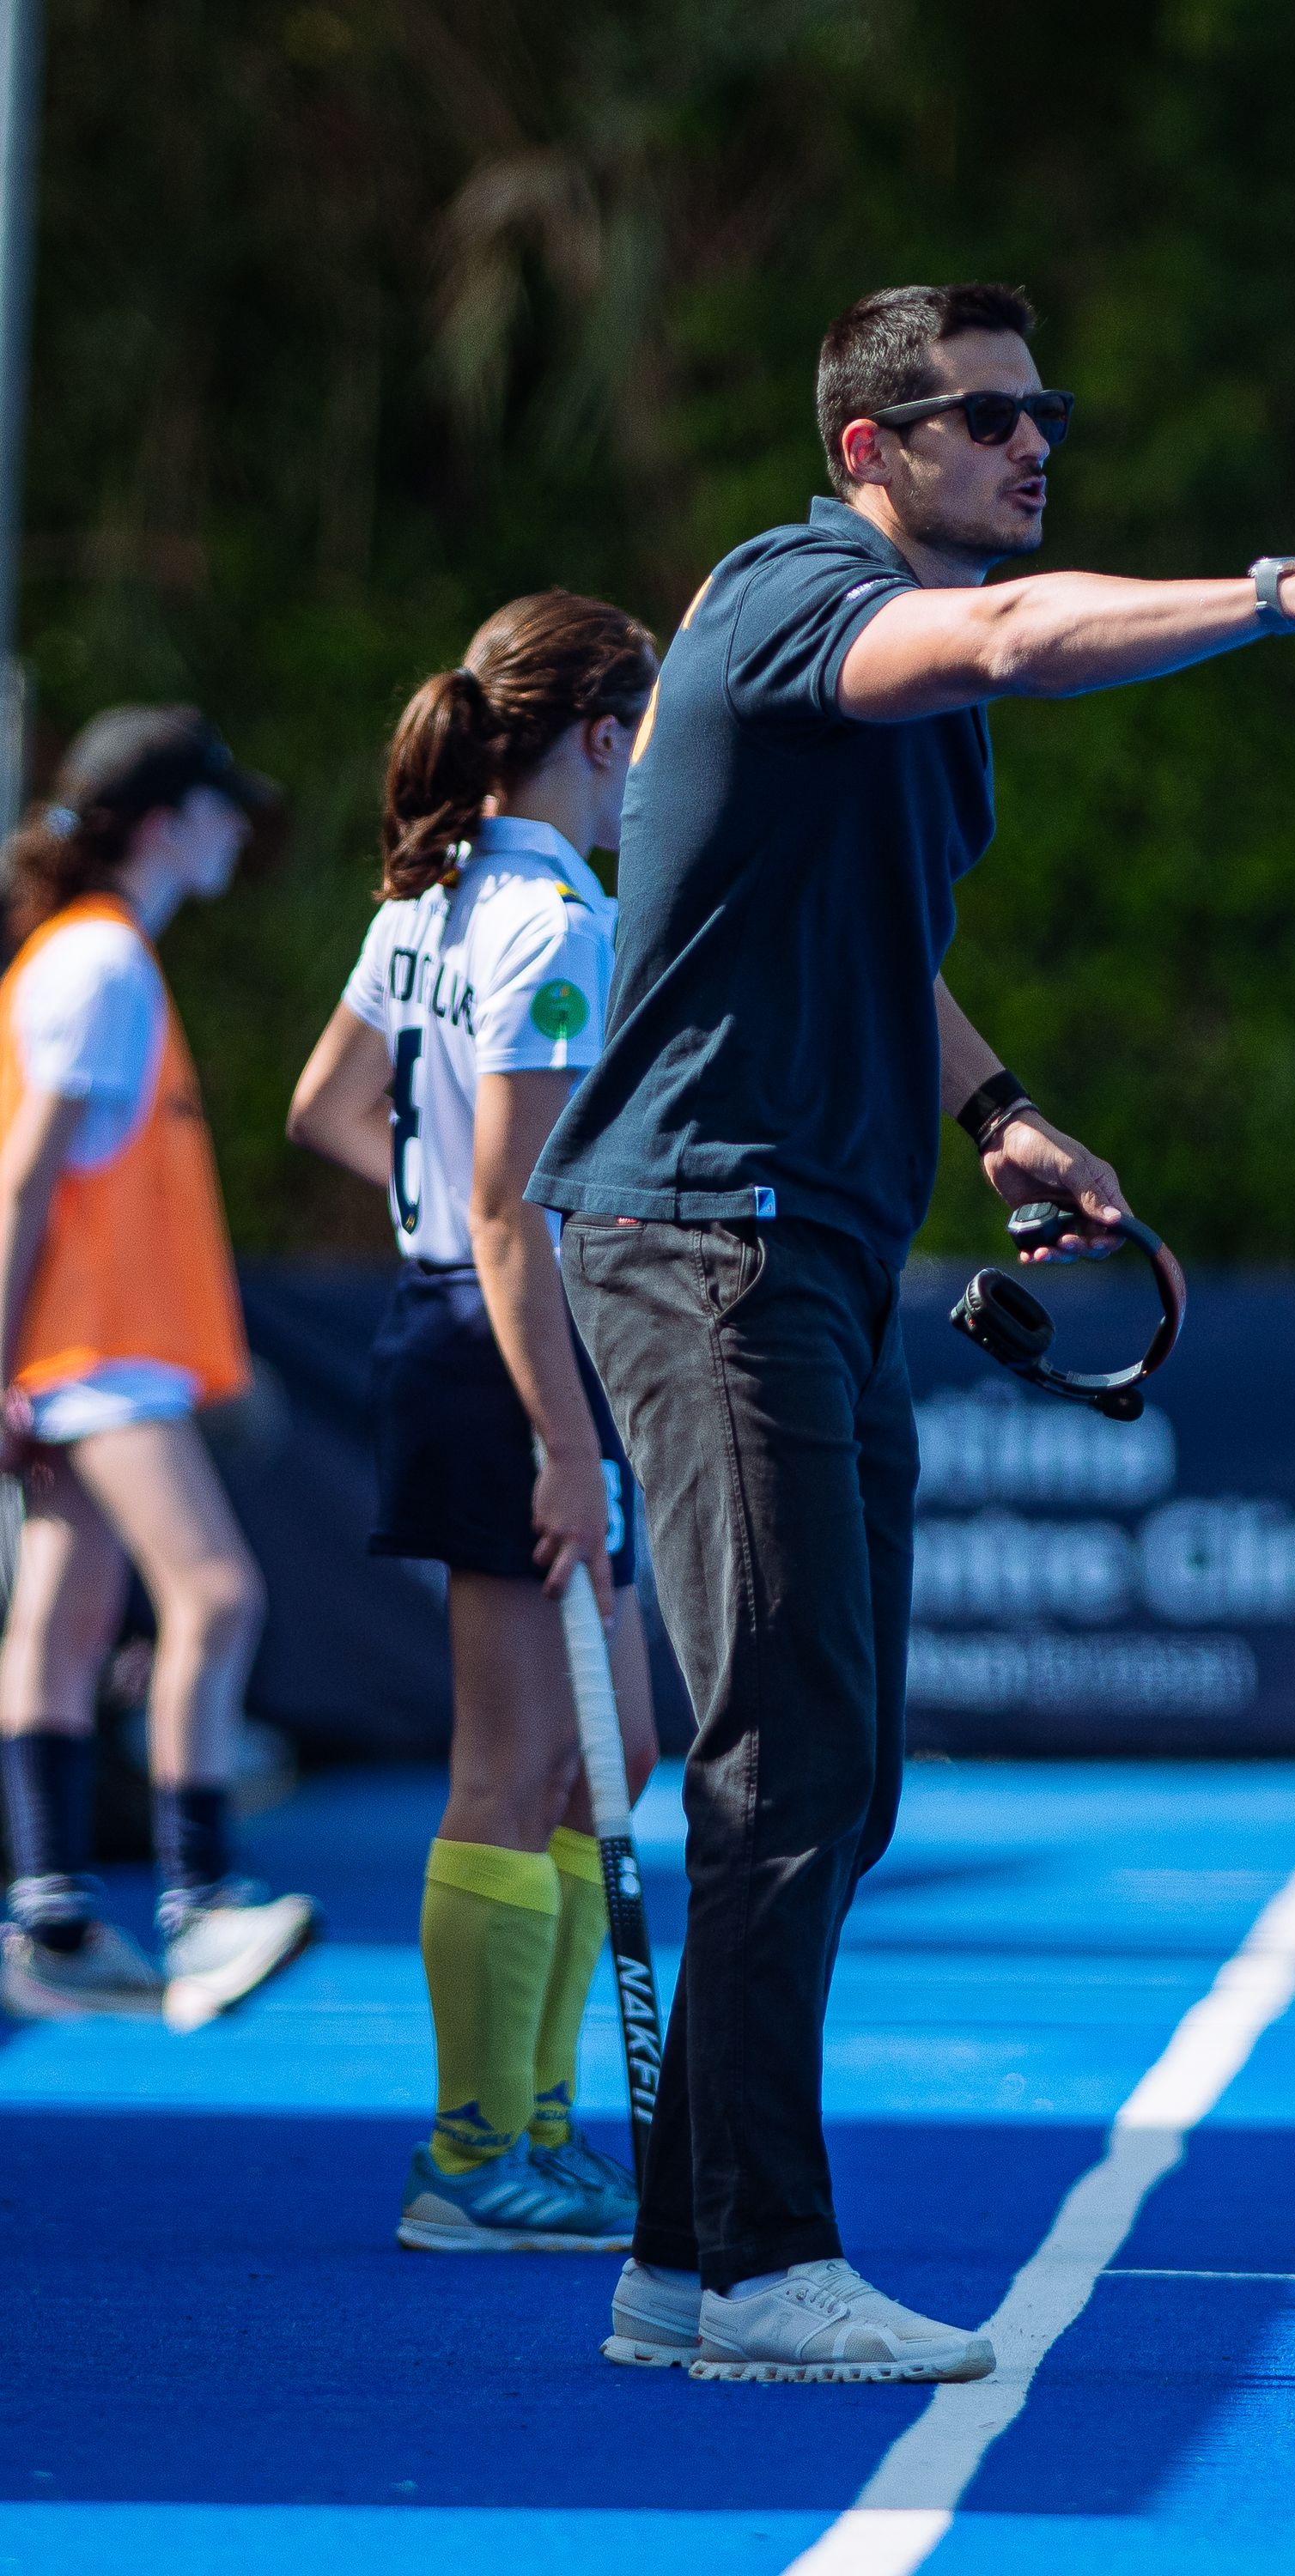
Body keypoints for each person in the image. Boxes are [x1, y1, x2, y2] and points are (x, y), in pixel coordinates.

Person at [527, 280, 1295, 2382]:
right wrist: (1276, 598)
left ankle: (686, 2265)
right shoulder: (805, 593)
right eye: (978, 420)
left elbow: (873, 935)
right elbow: (1021, 636)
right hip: (707, 1234)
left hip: (814, 1242)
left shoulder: (892, 683)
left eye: (1041, 411)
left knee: (837, 1774)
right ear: (871, 449)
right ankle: (768, 2266)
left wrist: (1000, 1110)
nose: (1028, 446)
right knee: (783, 1754)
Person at [286, 593, 661, 2251]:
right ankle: (468, 2156)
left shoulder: (432, 898)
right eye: (644, 735)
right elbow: (510, 1207)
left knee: (614, 1753)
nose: (653, 769)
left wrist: (436, 1219)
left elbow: (326, 1111)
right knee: (512, 1767)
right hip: (520, 1358)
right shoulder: (551, 920)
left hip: (489, 1330)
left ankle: (542, 2119)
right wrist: (564, 1438)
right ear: (601, 736)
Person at [0, 708, 318, 2030]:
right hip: (93, 1355)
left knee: (66, 1628)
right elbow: (22, 1187)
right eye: (216, 805)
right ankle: (201, 1904)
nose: (236, 829)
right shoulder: (102, 964)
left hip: (84, 1354)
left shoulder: (83, 958)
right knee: (218, 1596)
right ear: (160, 822)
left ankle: (55, 1921)